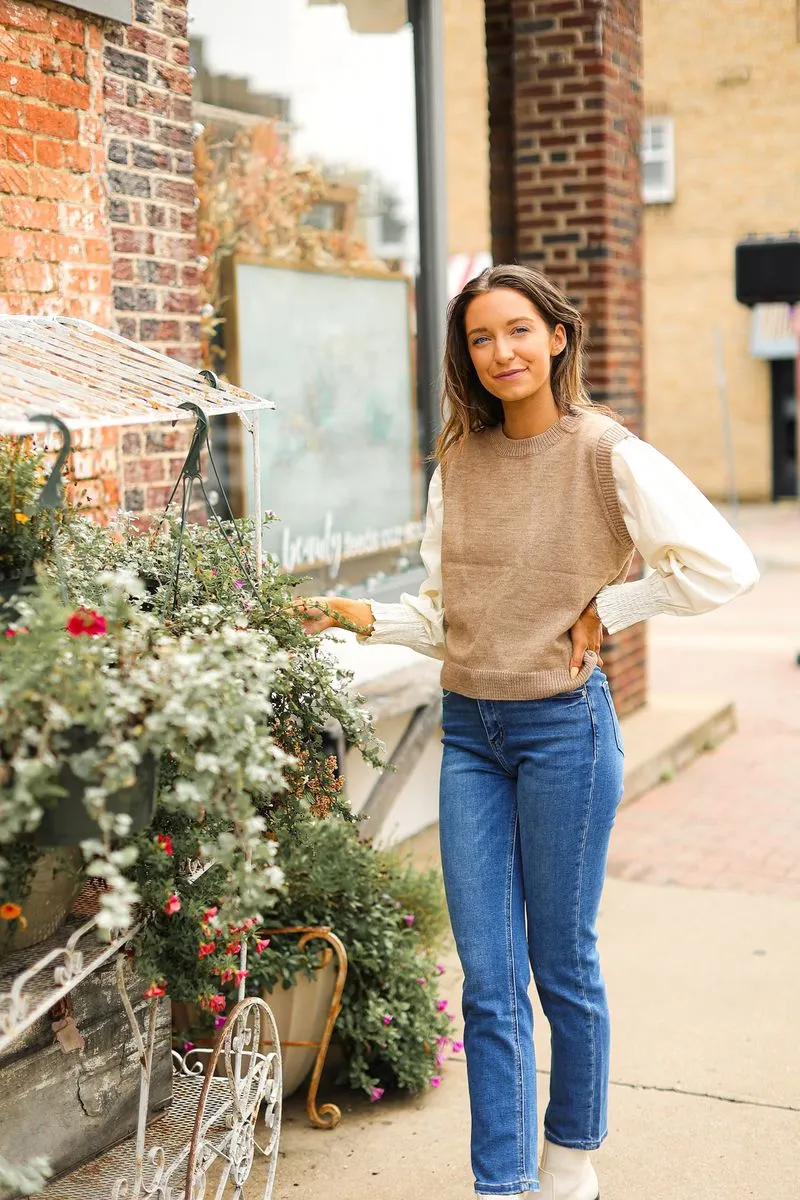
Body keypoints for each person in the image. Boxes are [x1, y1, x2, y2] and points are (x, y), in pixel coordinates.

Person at [296, 265, 759, 1199]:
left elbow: (723, 566)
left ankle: (571, 1155)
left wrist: (611, 605)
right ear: (465, 356)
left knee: (562, 962)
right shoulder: (458, 464)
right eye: (479, 338)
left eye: (517, 331)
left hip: (564, 734)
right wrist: (359, 616)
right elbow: (448, 615)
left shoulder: (606, 453)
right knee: (486, 977)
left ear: (556, 337)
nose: (499, 352)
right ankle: (500, 1185)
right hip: (470, 730)